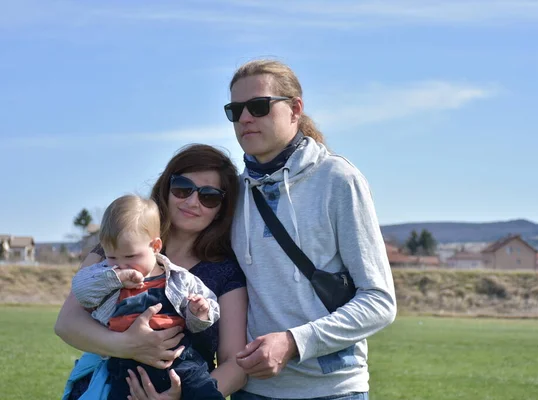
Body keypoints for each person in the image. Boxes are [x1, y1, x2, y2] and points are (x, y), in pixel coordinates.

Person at [221, 59, 397, 399]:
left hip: (333, 390)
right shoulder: (232, 192)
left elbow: (379, 301)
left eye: (258, 106)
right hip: (252, 389)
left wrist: (292, 342)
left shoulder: (338, 179)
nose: (245, 118)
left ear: (295, 109)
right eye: (235, 110)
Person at [55, 144, 248, 399]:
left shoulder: (226, 272)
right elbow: (67, 323)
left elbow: (235, 365)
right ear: (166, 188)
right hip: (104, 389)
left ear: (221, 208)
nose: (192, 201)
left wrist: (179, 398)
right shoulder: (116, 250)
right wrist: (127, 346)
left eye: (209, 196)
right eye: (182, 188)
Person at [67, 194, 224, 400]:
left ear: (155, 246)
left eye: (130, 257)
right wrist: (114, 279)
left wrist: (199, 313)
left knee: (206, 392)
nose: (121, 264)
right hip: (126, 364)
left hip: (179, 359)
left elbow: (207, 314)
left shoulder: (178, 278)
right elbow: (81, 290)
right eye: (112, 257)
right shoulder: (106, 274)